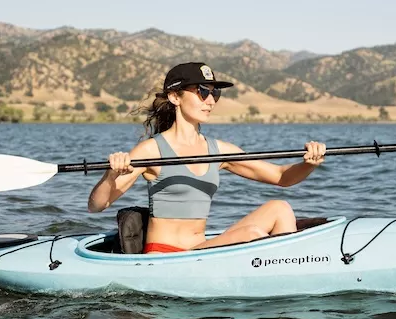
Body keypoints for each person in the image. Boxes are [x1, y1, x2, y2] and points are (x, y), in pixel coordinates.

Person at [88, 62, 326, 253]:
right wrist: (110, 176)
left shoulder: (218, 150)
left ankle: (287, 273)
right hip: (165, 255)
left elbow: (281, 177)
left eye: (215, 93)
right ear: (175, 97)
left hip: (200, 249)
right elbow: (97, 205)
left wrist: (309, 163)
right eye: (202, 92)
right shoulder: (151, 151)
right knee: (251, 235)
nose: (211, 101)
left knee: (280, 208)